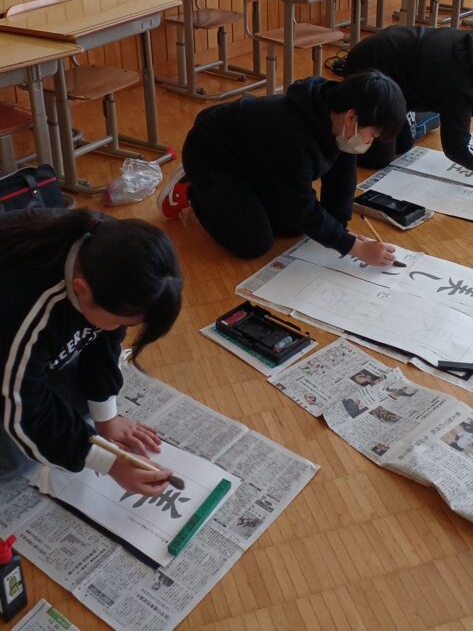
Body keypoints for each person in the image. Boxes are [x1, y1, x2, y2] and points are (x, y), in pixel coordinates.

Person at [0, 208, 182, 496]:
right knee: (14, 460)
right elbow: (23, 407)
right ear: (81, 290)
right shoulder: (28, 304)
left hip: (20, 347)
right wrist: (110, 463)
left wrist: (107, 418)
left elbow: (103, 340)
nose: (120, 329)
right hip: (8, 335)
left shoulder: (111, 255)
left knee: (84, 410)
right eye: (120, 322)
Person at [157, 70, 406, 264]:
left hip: (258, 160)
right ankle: (194, 191)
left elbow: (342, 179)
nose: (370, 143)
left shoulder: (339, 118)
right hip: (212, 156)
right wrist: (356, 247)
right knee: (253, 243)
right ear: (351, 117)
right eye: (373, 135)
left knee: (293, 227)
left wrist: (340, 230)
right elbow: (300, 205)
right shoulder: (293, 134)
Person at [344, 25, 473, 169]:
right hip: (370, 66)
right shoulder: (461, 84)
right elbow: (456, 147)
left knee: (404, 145)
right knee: (379, 159)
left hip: (404, 75)